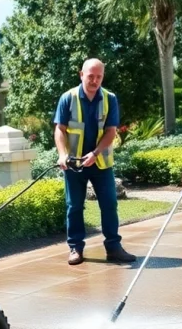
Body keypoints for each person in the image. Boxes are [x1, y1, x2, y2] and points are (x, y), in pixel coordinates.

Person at [53, 58, 137, 266]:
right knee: (74, 206)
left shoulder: (110, 98)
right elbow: (60, 130)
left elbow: (110, 132)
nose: (94, 80)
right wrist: (63, 154)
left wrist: (96, 153)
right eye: (90, 76)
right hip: (74, 164)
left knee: (109, 204)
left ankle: (113, 248)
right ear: (81, 75)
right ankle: (75, 248)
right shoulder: (68, 98)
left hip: (101, 163)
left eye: (99, 76)